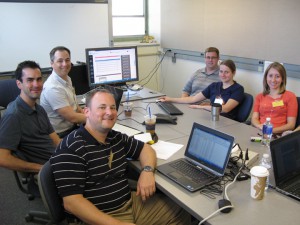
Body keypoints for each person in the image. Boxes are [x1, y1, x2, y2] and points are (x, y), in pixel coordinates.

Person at [50, 89, 191, 225]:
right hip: (99, 217)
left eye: (112, 107)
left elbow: (146, 149)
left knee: (180, 211)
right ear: (87, 112)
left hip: (131, 204)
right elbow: (71, 203)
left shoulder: (114, 137)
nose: (109, 112)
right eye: (102, 107)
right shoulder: (71, 147)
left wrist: (147, 171)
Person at [0, 61, 60, 173]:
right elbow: (2, 158)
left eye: (39, 79)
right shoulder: (13, 116)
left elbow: (56, 141)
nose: (36, 85)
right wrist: (41, 169)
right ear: (19, 84)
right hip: (48, 171)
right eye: (30, 80)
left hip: (58, 161)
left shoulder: (39, 109)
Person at [160, 59, 244, 120]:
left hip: (226, 122)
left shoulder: (238, 89)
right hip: (210, 118)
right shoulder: (214, 86)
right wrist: (170, 99)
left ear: (233, 73)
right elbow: (193, 99)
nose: (223, 75)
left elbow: (225, 109)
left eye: (226, 72)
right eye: (221, 71)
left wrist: (201, 107)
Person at [40, 46, 86, 138]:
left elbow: (74, 106)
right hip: (61, 135)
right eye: (60, 61)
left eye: (67, 60)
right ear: (52, 63)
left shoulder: (66, 78)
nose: (65, 64)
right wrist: (97, 118)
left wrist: (86, 112)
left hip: (73, 127)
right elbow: (72, 117)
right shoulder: (53, 87)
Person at [251, 62, 298, 134]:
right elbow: (254, 118)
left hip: (278, 136)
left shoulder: (290, 96)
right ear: (266, 77)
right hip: (259, 132)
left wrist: (271, 131)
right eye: (270, 76)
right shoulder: (259, 97)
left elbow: (291, 125)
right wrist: (259, 126)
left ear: (282, 79)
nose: (273, 80)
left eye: (277, 76)